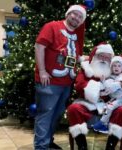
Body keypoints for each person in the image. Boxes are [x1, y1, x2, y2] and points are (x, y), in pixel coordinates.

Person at [33, 4, 87, 150]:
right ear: (68, 13)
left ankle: (48, 142)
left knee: (55, 115)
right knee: (45, 115)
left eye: (80, 16)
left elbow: (74, 57)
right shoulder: (52, 26)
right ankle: (41, 147)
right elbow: (39, 47)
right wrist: (42, 71)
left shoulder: (76, 36)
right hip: (49, 81)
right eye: (74, 14)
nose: (76, 18)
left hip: (66, 83)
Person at [67, 43, 122, 150]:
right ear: (95, 57)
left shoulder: (115, 69)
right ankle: (82, 145)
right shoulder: (86, 69)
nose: (104, 59)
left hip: (108, 104)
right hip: (88, 103)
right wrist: (98, 87)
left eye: (107, 57)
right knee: (73, 109)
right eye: (101, 56)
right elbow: (80, 86)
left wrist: (121, 83)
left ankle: (111, 146)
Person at [92, 55, 122, 133]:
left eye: (119, 66)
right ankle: (105, 126)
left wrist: (113, 84)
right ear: (111, 68)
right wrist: (103, 82)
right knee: (106, 107)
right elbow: (107, 88)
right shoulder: (110, 77)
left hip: (121, 99)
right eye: (114, 66)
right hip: (114, 99)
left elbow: (115, 86)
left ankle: (102, 123)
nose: (116, 68)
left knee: (109, 107)